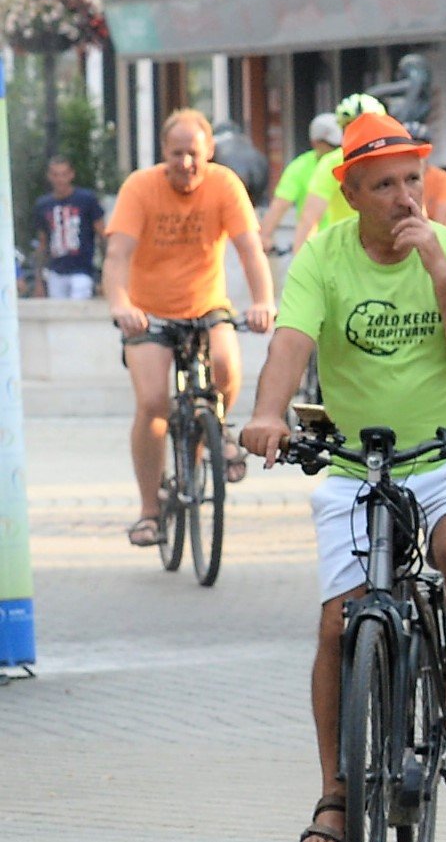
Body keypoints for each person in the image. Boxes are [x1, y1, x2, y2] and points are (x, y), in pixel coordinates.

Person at [240, 111, 446, 842]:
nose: (403, 198)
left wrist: (442, 274)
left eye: (411, 180)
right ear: (351, 192)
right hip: (361, 464)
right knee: (336, 624)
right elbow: (290, 343)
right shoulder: (322, 257)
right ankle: (336, 789)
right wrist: (266, 414)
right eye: (383, 184)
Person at [102, 108, 275, 546]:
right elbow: (118, 256)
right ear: (164, 152)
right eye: (176, 153)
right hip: (150, 311)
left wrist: (262, 302)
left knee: (225, 366)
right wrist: (121, 304)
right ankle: (149, 511)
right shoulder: (140, 188)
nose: (185, 163)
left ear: (209, 151)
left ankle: (218, 427)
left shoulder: (224, 184)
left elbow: (250, 250)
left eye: (193, 153)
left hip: (205, 305)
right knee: (154, 403)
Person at [291, 93, 385, 251]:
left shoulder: (396, 161)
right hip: (347, 252)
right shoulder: (333, 163)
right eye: (352, 129)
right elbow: (309, 218)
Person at [260, 113, 341, 250]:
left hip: (343, 242)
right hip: (316, 246)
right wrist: (264, 237)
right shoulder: (300, 167)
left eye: (339, 146)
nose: (336, 151)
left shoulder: (346, 163)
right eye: (330, 146)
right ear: (315, 143)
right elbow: (280, 204)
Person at [32, 156, 105, 299]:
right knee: (58, 314)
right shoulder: (43, 205)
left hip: (82, 270)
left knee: (79, 305)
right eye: (55, 175)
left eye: (64, 174)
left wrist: (106, 275)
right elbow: (42, 243)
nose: (60, 180)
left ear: (72, 174)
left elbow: (102, 235)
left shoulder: (86, 200)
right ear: (49, 176)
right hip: (56, 271)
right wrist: (38, 281)